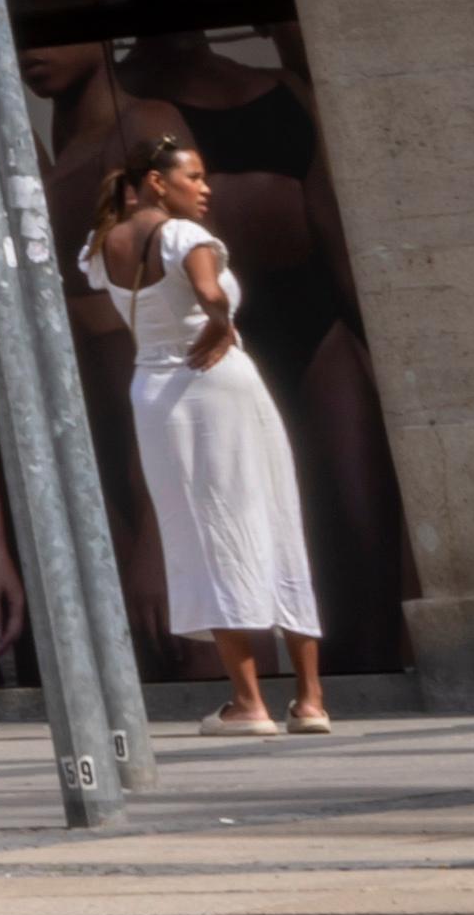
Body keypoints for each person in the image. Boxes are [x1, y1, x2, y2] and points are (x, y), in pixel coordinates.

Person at [80, 141, 327, 735]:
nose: (205, 187)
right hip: (217, 381)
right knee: (272, 517)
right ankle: (309, 699)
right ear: (156, 183)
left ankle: (248, 702)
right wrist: (223, 323)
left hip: (158, 393)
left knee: (200, 530)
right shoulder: (184, 237)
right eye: (194, 176)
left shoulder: (101, 245)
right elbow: (210, 293)